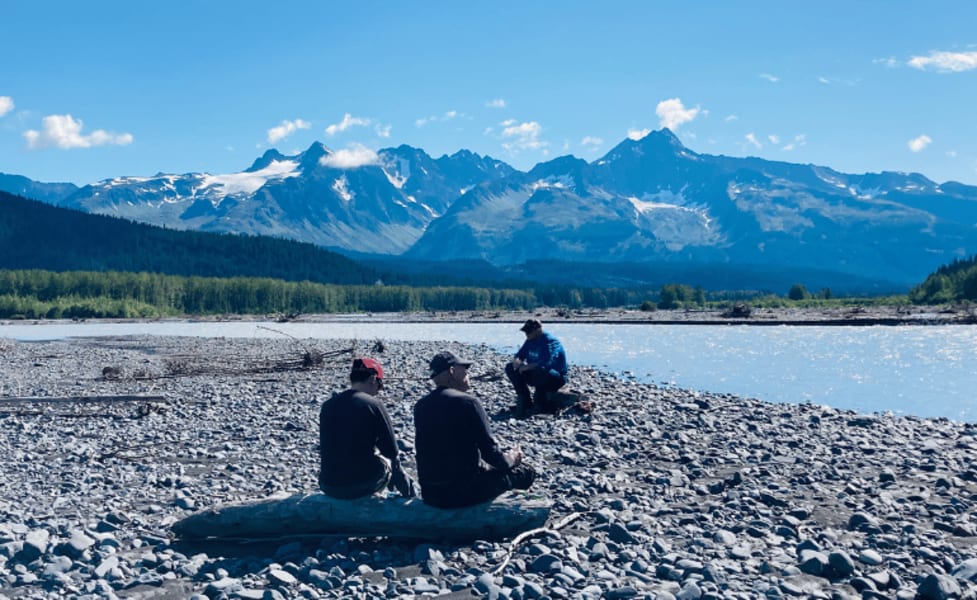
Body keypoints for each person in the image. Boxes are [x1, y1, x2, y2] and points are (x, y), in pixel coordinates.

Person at [413, 350, 536, 508]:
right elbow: (491, 454)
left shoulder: (421, 405)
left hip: (431, 493)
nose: (468, 374)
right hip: (463, 493)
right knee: (526, 471)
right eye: (464, 370)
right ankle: (501, 515)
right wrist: (512, 459)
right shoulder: (468, 403)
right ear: (452, 371)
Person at [319, 357, 416, 499]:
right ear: (372, 379)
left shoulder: (328, 405)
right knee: (388, 461)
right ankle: (408, 498)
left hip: (328, 484)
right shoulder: (372, 404)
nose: (378, 391)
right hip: (361, 485)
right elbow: (391, 450)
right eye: (379, 385)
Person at [505, 319, 568, 417]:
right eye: (526, 331)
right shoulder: (529, 340)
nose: (527, 334)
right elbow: (520, 355)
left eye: (529, 332)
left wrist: (527, 367)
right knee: (510, 367)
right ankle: (525, 400)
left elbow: (546, 362)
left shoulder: (549, 341)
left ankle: (541, 403)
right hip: (536, 374)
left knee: (540, 369)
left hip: (555, 377)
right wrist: (517, 361)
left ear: (538, 330)